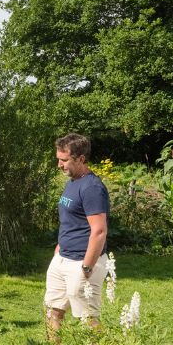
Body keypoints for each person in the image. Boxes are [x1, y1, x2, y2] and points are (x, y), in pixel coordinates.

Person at [44, 133, 110, 333]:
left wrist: (87, 267)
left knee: (88, 319)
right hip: (62, 258)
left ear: (81, 159)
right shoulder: (73, 182)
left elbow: (99, 231)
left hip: (82, 262)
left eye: (64, 160)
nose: (59, 164)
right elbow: (71, 219)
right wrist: (60, 247)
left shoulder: (92, 188)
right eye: (58, 159)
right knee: (53, 310)